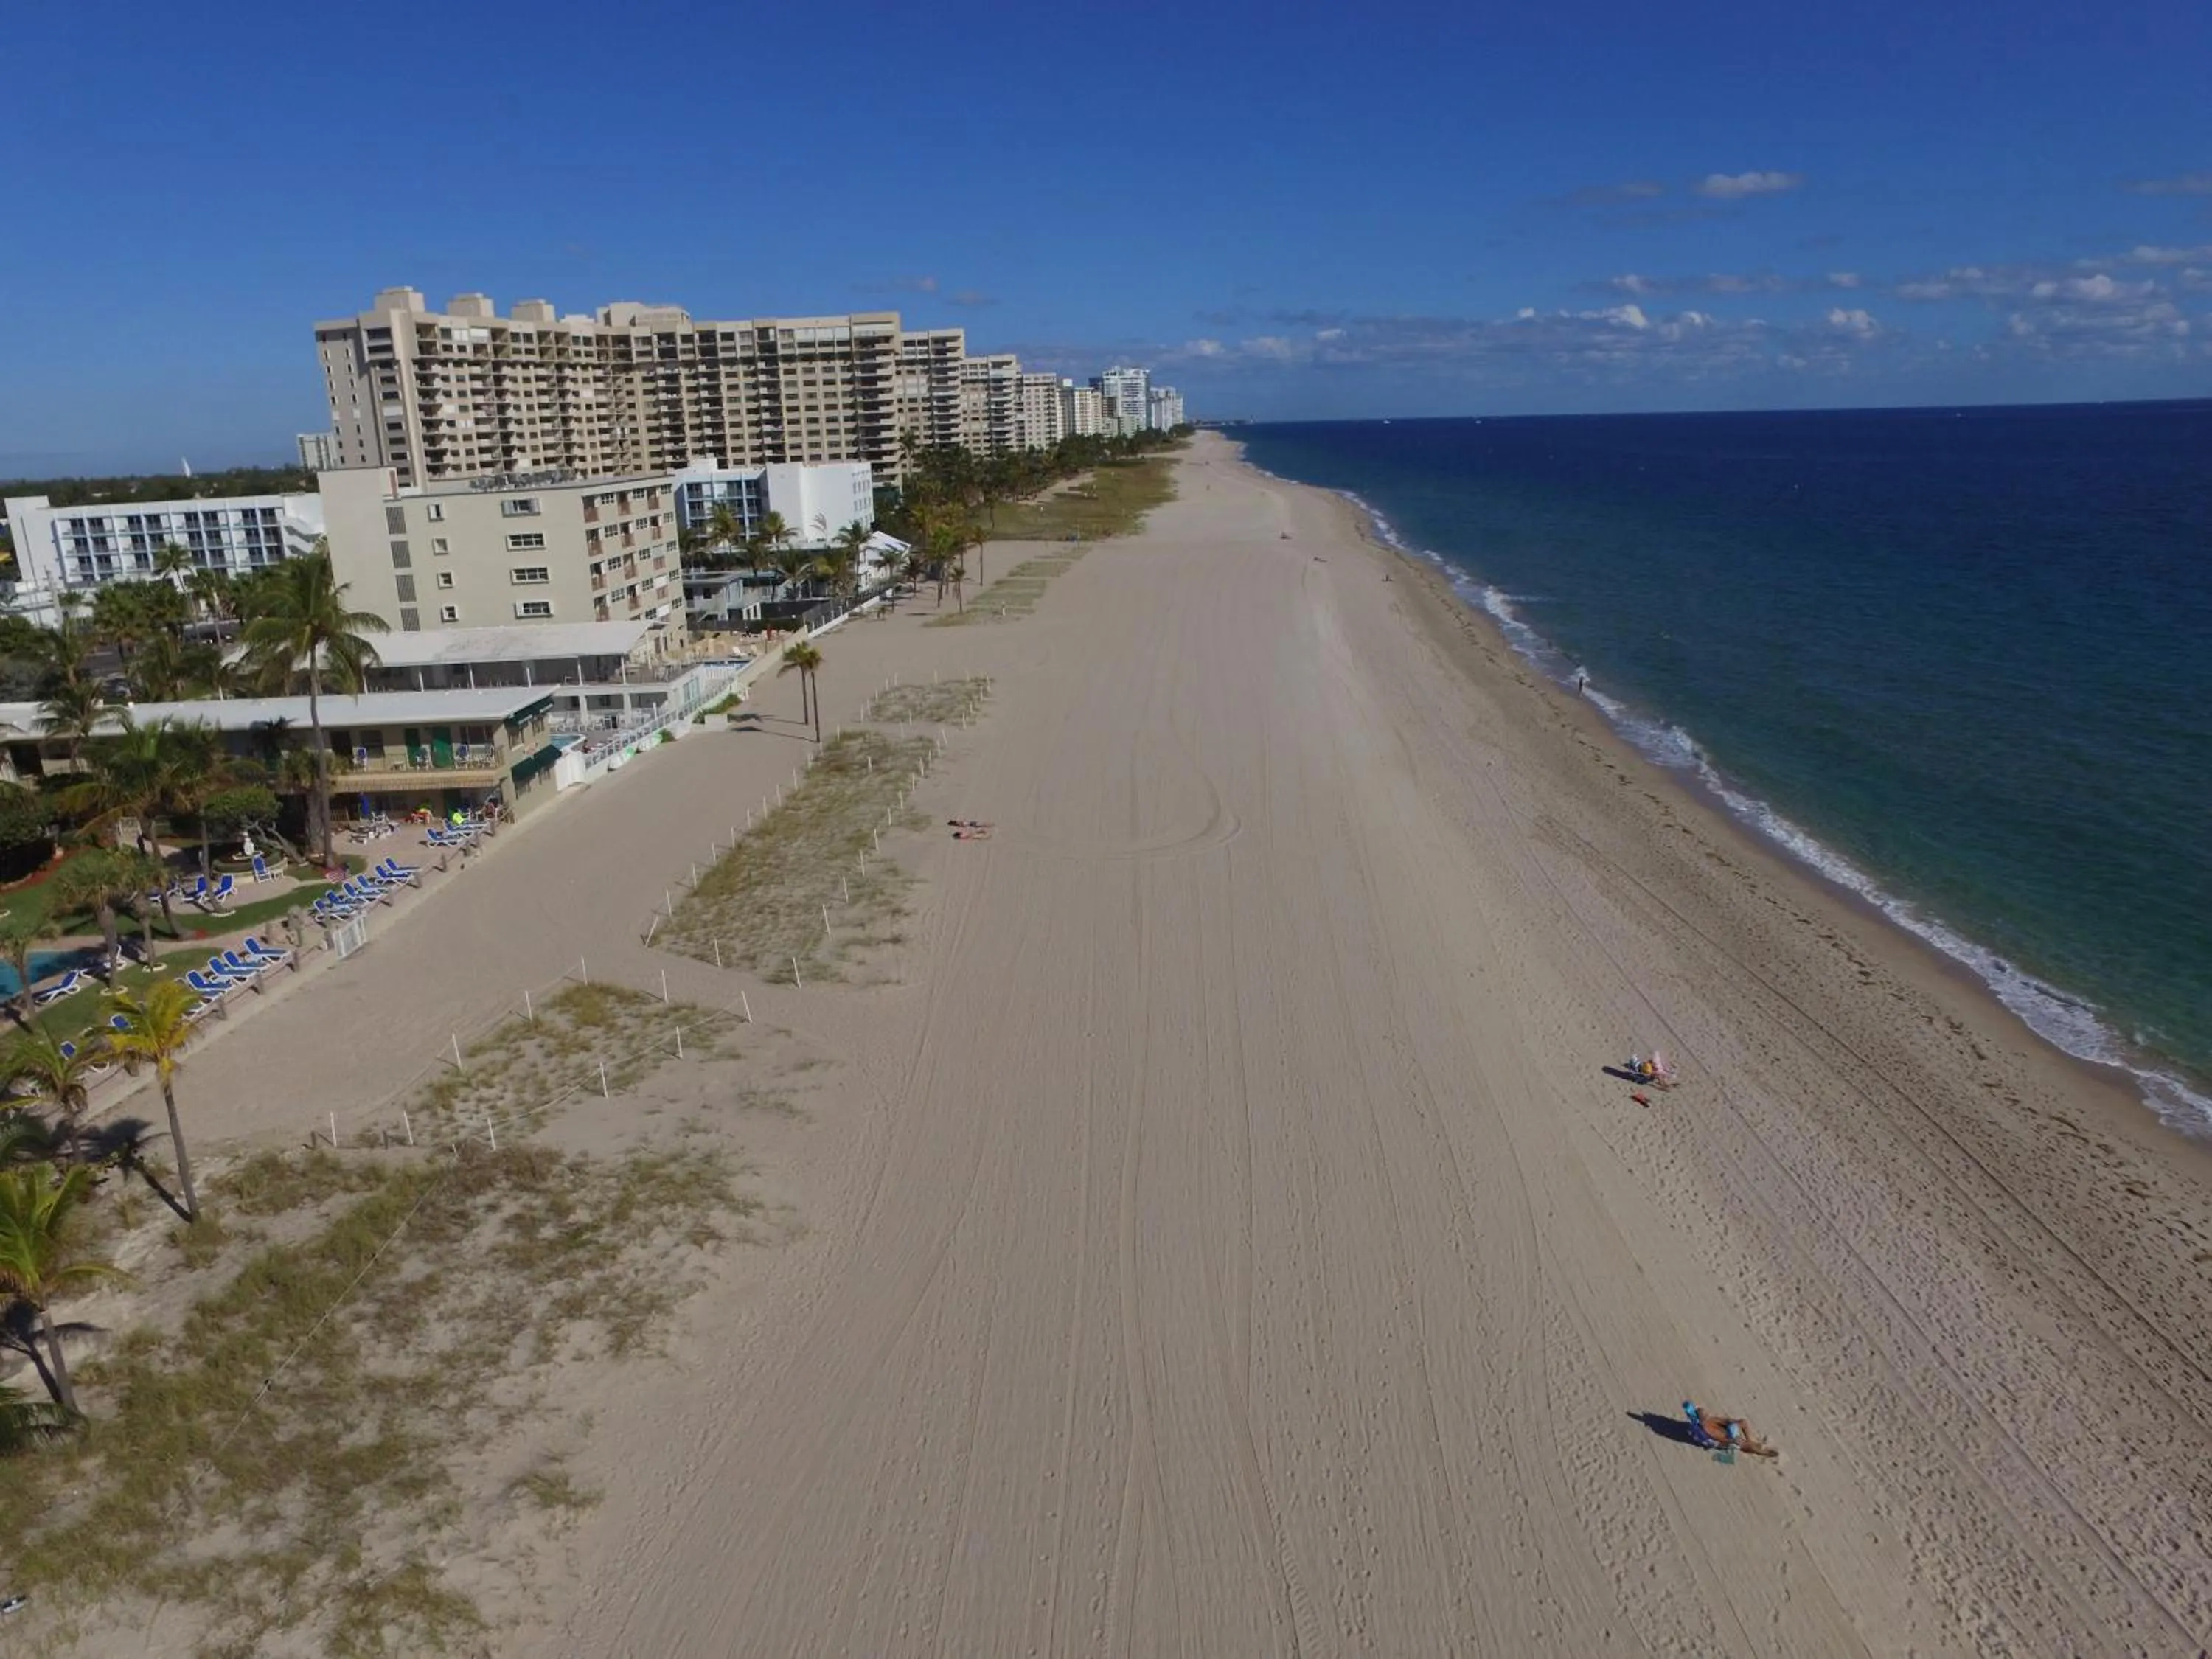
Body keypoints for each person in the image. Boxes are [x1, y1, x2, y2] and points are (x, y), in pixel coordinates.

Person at [1684, 1401, 1777, 1458]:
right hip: (1726, 1441)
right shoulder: (1708, 1429)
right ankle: (1761, 1451)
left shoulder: (1709, 1420)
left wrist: (1733, 1422)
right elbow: (1723, 1439)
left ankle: (1751, 1440)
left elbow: (1723, 1420)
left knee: (1743, 1422)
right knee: (1744, 1444)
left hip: (1726, 1432)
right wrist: (1734, 1440)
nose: (1708, 1414)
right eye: (1706, 1415)